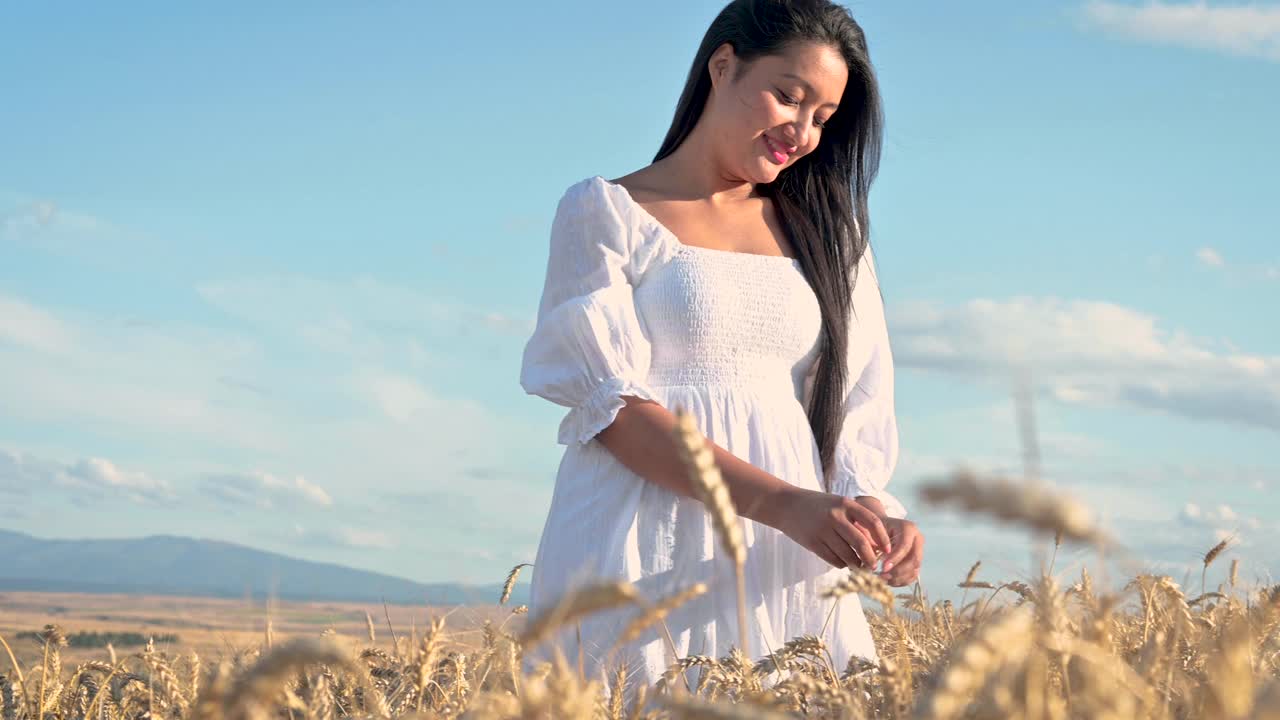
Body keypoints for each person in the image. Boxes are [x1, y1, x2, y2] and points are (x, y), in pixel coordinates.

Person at [517, 0, 924, 697]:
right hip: (637, 537)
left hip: (784, 555)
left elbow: (858, 400)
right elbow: (611, 410)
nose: (799, 132)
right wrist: (785, 505)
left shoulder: (831, 237)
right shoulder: (605, 211)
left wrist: (871, 511)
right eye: (787, 96)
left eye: (823, 118)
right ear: (723, 63)